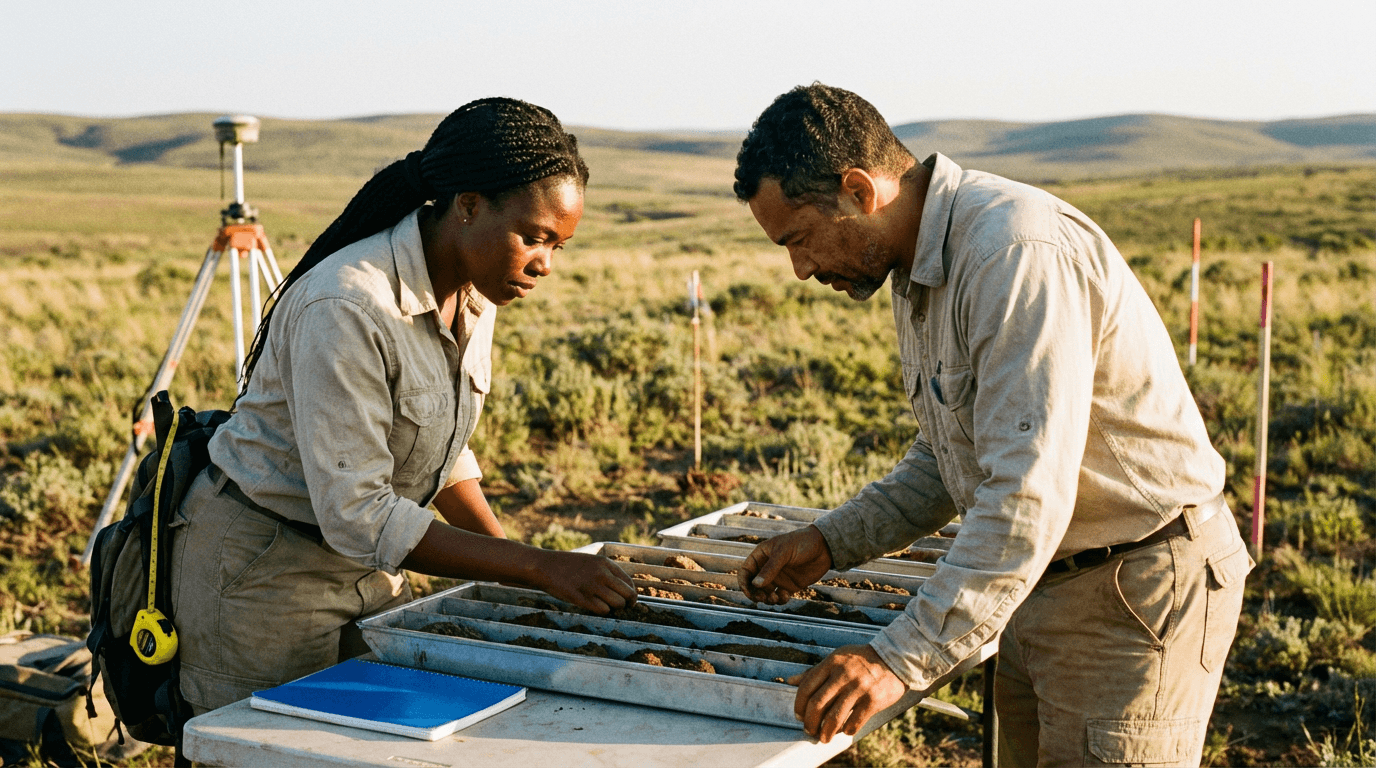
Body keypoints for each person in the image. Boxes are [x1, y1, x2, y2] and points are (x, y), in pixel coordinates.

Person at [733, 84, 1252, 765]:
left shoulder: (1013, 253)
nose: (800, 269)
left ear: (860, 190)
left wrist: (897, 659)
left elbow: (1024, 491)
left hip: (1131, 591)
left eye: (798, 239)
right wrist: (832, 541)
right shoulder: (918, 263)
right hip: (1039, 582)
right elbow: (949, 455)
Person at [169, 98, 636, 715]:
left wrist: (509, 568)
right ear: (468, 205)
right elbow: (358, 512)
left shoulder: (475, 292)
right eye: (535, 236)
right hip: (263, 573)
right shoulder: (346, 306)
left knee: (384, 741)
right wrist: (533, 566)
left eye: (560, 244)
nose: (546, 263)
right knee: (269, 748)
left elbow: (441, 443)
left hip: (371, 571)